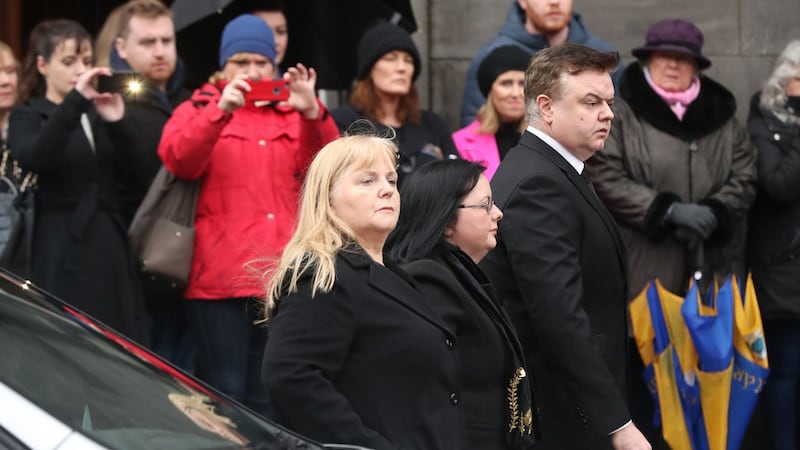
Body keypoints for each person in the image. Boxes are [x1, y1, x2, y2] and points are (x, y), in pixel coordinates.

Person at [585, 19, 757, 448]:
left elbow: (745, 173)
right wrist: (669, 210)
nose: (673, 65)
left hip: (710, 272)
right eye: (664, 55)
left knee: (707, 391)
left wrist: (715, 211)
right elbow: (606, 174)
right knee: (646, 387)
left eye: (683, 58)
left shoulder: (724, 113)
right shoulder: (621, 111)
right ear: (647, 59)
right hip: (645, 271)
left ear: (697, 66)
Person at [157, 14, 339, 417]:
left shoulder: (294, 110)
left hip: (282, 274)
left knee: (271, 392)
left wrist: (313, 113)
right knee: (225, 393)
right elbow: (179, 158)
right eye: (241, 62)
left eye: (261, 63)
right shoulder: (201, 106)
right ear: (224, 66)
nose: (253, 71)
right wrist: (221, 110)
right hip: (218, 279)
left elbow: (329, 170)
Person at [479, 43, 651, 450]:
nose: (608, 114)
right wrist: (618, 424)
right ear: (547, 107)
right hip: (560, 413)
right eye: (591, 102)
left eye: (609, 102)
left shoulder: (555, 169)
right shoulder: (538, 183)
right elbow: (559, 317)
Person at [262, 132, 465, 450]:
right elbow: (290, 377)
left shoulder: (394, 274)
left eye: (391, 179)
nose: (387, 189)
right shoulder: (323, 275)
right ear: (327, 198)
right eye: (367, 181)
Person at [8, 19, 148, 343]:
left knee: (118, 343)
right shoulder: (28, 114)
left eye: (86, 62)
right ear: (42, 65)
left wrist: (119, 124)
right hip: (60, 247)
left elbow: (143, 177)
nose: (80, 71)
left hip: (109, 245)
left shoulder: (97, 113)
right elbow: (36, 157)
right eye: (69, 62)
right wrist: (74, 102)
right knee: (68, 341)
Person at [386, 159, 537, 450]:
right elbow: (431, 387)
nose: (498, 213)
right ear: (444, 221)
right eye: (485, 205)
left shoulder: (461, 272)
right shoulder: (429, 279)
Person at [101, 0, 195, 371]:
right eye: (147, 42)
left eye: (166, 40)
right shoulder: (108, 99)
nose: (160, 51)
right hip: (137, 264)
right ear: (120, 48)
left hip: (193, 263)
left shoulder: (191, 98)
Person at [746, 39, 800, 450]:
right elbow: (777, 185)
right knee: (787, 368)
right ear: (786, 81)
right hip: (783, 269)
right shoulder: (765, 120)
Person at [460, 0, 623, 127]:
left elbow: (621, 123)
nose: (554, 2)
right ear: (523, 1)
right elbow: (475, 129)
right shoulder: (492, 55)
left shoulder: (601, 54)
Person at [331, 21, 458, 184]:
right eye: (390, 58)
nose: (402, 67)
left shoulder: (433, 124)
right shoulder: (345, 122)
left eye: (408, 60)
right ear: (369, 68)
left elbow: (457, 181)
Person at [453, 45, 529, 179]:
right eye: (506, 83)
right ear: (490, 91)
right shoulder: (461, 143)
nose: (516, 93)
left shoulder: (548, 139)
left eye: (522, 84)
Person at [249, 0, 288, 79]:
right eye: (264, 31)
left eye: (281, 32)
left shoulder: (297, 86)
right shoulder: (225, 89)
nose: (275, 41)